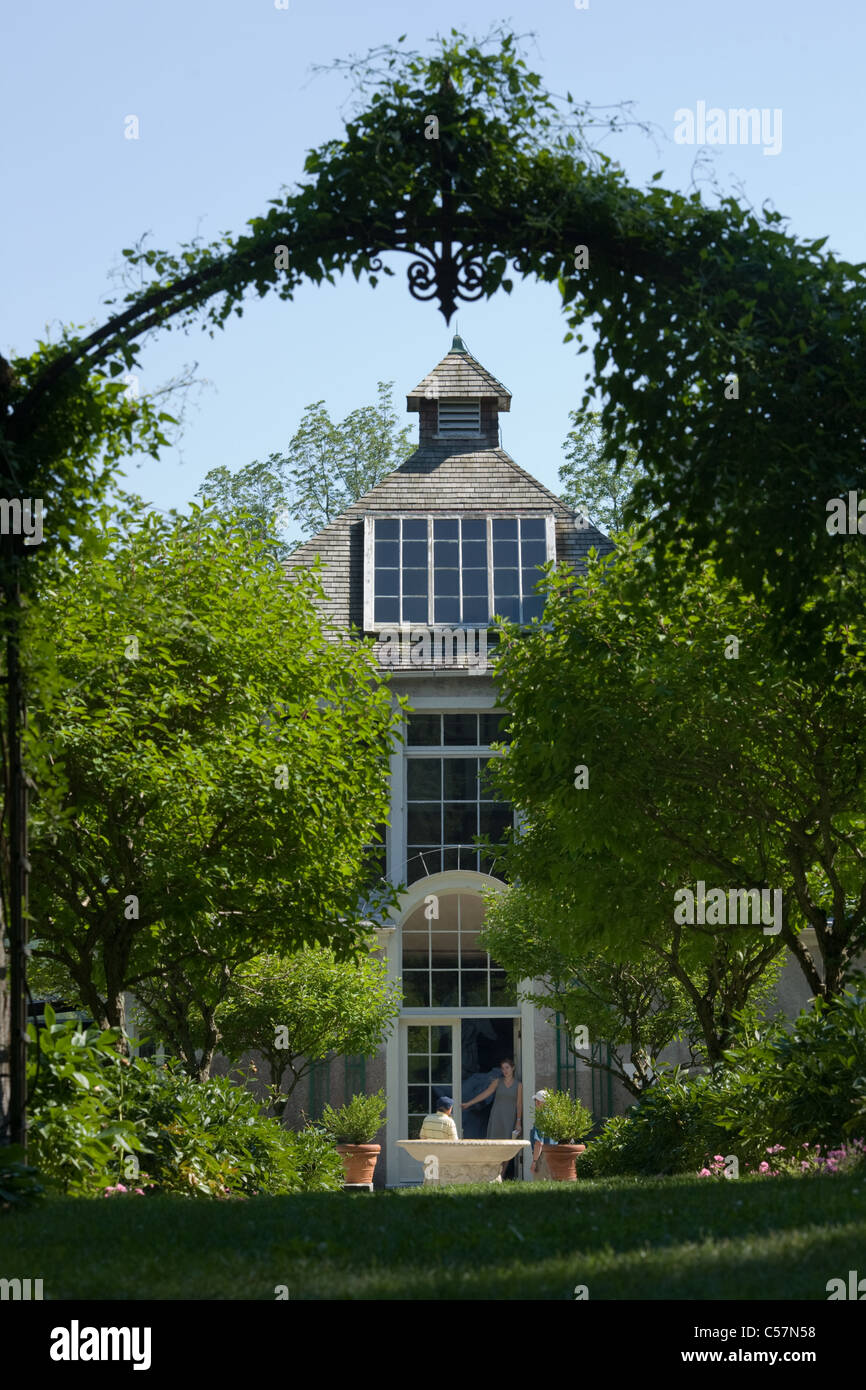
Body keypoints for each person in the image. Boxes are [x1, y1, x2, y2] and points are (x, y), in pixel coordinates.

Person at [461, 1057, 522, 1178]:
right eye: (503, 1068)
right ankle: (492, 1175)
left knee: (507, 1148)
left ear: (513, 1068)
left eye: (507, 1068)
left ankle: (502, 1175)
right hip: (496, 1118)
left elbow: (519, 1104)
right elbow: (485, 1094)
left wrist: (518, 1121)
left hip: (509, 1119)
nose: (505, 1071)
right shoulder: (497, 1082)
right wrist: (469, 1103)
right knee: (493, 1146)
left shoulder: (518, 1085)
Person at [530, 1090, 556, 1179]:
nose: (536, 1103)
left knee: (540, 1186)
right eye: (536, 1101)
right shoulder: (553, 1116)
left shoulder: (541, 1118)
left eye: (537, 1101)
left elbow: (538, 1143)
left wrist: (534, 1162)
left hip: (543, 1157)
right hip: (554, 1155)